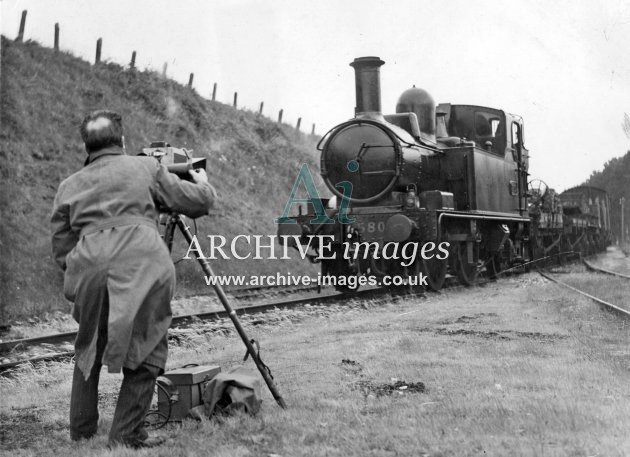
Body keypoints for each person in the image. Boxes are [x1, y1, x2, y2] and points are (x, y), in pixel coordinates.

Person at [51, 110, 215, 448]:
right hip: (141, 261)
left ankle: (82, 433)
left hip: (89, 266)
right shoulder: (146, 167)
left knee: (89, 349)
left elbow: (62, 242)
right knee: (148, 343)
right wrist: (203, 185)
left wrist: (82, 268)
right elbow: (193, 202)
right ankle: (126, 435)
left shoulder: (68, 185)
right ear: (122, 141)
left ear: (87, 145)